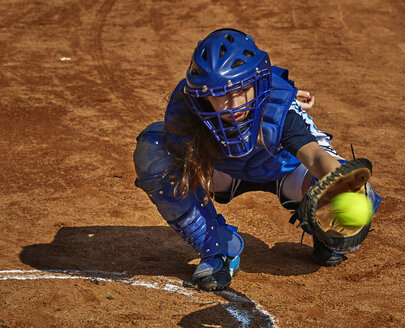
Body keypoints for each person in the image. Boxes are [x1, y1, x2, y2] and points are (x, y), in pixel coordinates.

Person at [133, 28, 381, 291]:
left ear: (258, 81)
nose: (232, 103)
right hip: (223, 170)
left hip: (286, 171)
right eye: (219, 94)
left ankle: (322, 233)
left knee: (349, 185)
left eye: (241, 89)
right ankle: (218, 248)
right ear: (202, 94)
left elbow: (315, 155)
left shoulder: (278, 106)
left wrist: (342, 185)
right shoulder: (188, 109)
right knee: (153, 151)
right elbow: (176, 161)